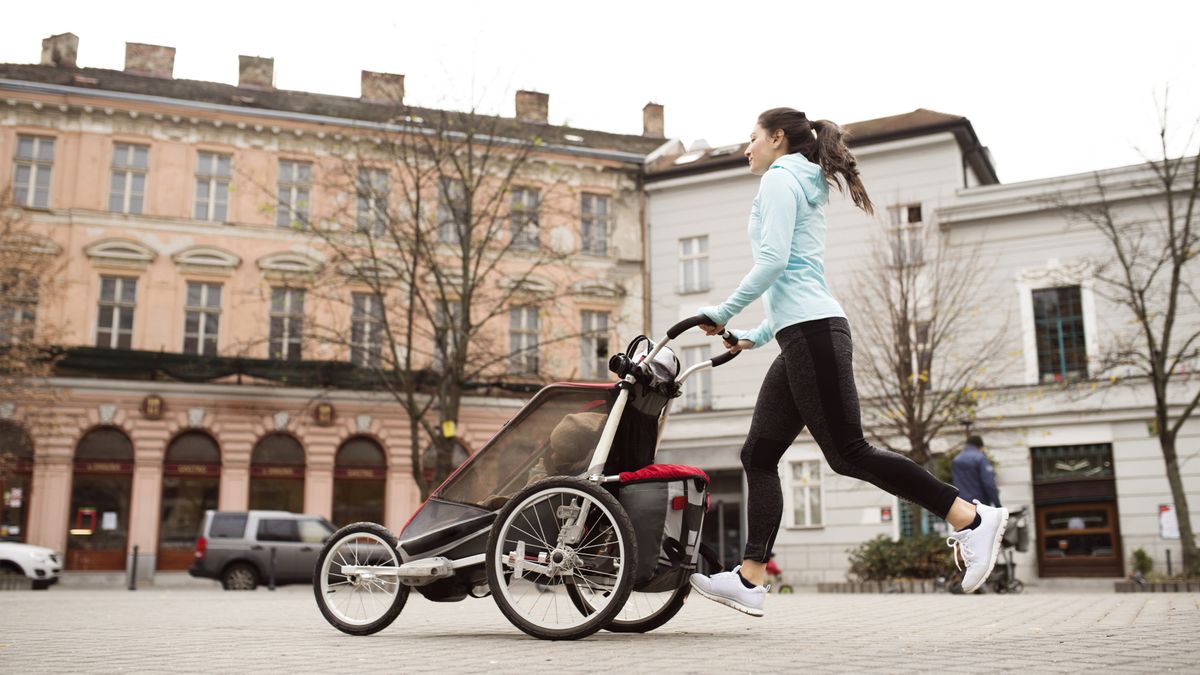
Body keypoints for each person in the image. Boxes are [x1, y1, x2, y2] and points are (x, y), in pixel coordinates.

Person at [687, 108, 1009, 616]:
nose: (745, 148)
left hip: (813, 334)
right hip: (801, 332)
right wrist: (753, 334)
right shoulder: (802, 182)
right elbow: (799, 276)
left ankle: (970, 519)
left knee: (848, 453)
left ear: (776, 139)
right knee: (758, 455)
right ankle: (749, 578)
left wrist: (722, 311)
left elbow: (773, 263)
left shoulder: (778, 180)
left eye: (751, 138)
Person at [951, 435, 1001, 507]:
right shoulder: (980, 458)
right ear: (980, 447)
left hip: (962, 505)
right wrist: (997, 504)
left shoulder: (956, 459)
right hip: (980, 505)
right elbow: (989, 484)